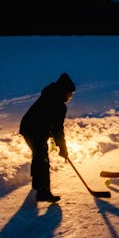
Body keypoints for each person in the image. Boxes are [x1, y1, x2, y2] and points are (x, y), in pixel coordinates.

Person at [20, 73, 76, 202]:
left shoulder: (50, 95)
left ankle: (38, 185)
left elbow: (50, 123)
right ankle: (43, 191)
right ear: (64, 91)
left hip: (29, 128)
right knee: (42, 158)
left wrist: (59, 145)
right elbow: (57, 129)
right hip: (33, 130)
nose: (71, 96)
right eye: (70, 93)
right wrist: (62, 148)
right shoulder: (58, 104)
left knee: (39, 155)